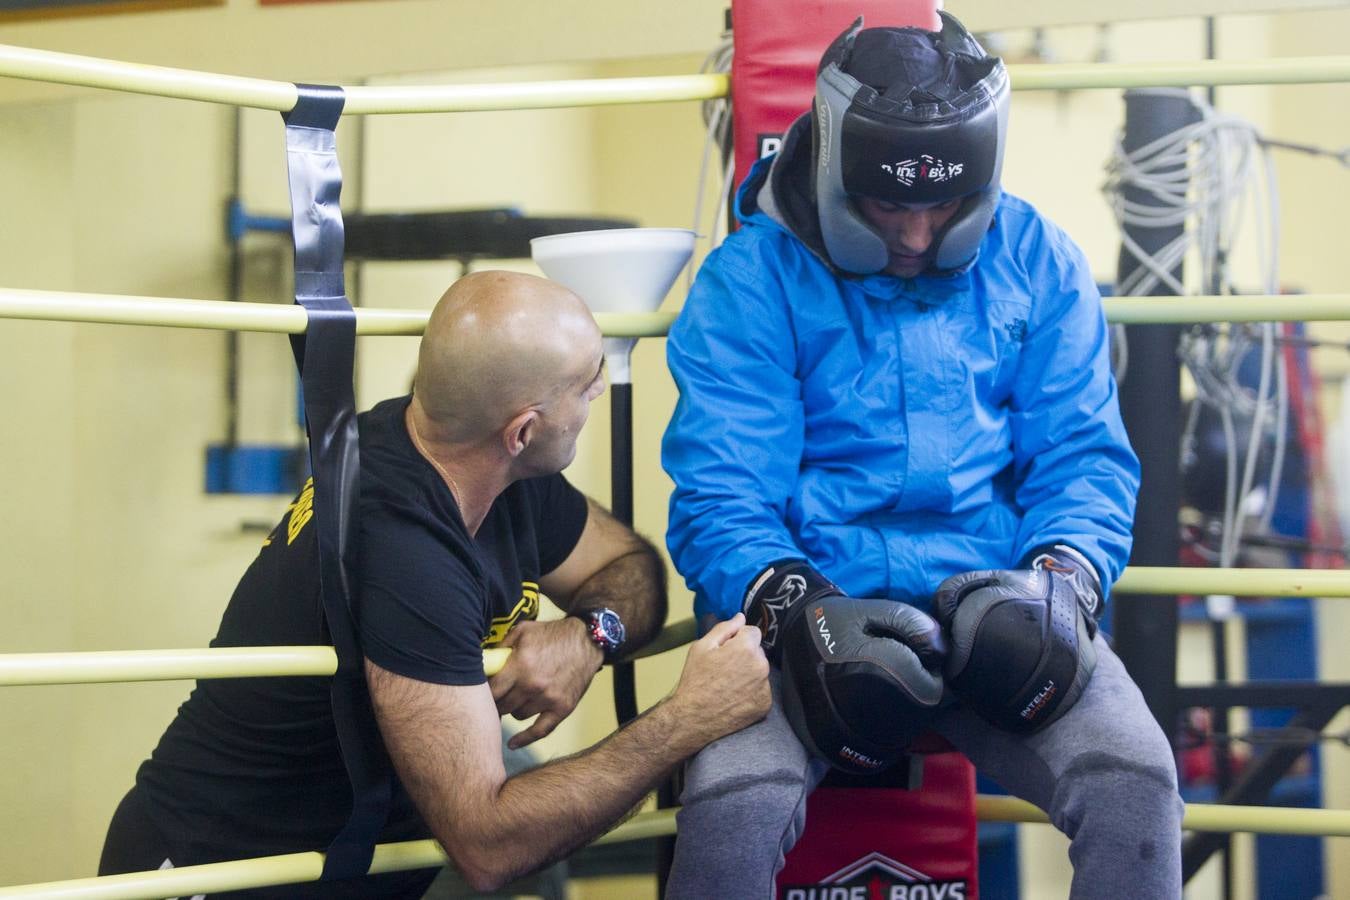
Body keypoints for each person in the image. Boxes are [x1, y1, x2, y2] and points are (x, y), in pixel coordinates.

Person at [661, 13, 1184, 898]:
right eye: (889, 205)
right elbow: (722, 497)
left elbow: (1084, 460)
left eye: (939, 205)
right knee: (731, 800)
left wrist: (1061, 583)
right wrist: (795, 608)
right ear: (831, 167)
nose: (912, 235)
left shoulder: (1038, 260)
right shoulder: (751, 280)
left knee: (1136, 782)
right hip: (812, 609)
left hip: (1000, 604)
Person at [100, 270, 771, 897]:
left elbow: (628, 567)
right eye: (587, 380)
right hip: (211, 871)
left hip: (354, 859)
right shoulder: (402, 545)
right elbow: (486, 842)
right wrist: (690, 718)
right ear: (524, 430)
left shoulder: (493, 469)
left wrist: (591, 634)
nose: (600, 389)